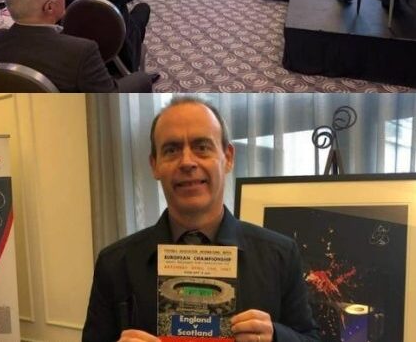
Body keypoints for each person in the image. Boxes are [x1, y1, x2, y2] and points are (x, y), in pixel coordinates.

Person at [82, 98, 321, 342]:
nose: (187, 162)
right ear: (155, 165)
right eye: (171, 150)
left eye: (202, 147)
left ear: (227, 157)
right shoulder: (114, 264)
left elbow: (311, 338)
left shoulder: (279, 255)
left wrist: (276, 336)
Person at [0, 0, 152, 92]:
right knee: (141, 79)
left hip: (15, 121)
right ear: (49, 7)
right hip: (66, 123)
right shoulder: (81, 51)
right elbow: (107, 101)